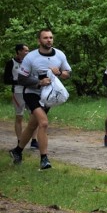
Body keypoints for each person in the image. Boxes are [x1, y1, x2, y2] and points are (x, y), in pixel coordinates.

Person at [9, 28, 72, 170]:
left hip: (48, 95)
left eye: (50, 37)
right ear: (39, 40)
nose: (48, 40)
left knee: (33, 125)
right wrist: (38, 82)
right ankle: (44, 159)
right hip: (31, 93)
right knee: (43, 123)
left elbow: (68, 74)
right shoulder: (31, 57)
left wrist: (60, 72)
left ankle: (17, 151)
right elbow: (21, 78)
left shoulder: (60, 55)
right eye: (45, 38)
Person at [3, 44, 38, 149]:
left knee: (34, 115)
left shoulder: (31, 62)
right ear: (19, 51)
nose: (28, 52)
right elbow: (6, 80)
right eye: (26, 50)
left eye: (28, 50)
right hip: (18, 92)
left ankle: (34, 141)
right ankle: (19, 141)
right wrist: (19, 81)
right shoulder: (11, 63)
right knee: (19, 116)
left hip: (30, 91)